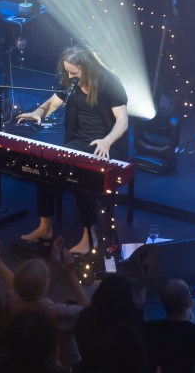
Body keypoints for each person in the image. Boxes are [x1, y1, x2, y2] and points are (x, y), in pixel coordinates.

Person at [17, 45, 129, 256]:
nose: (70, 76)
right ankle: (45, 227)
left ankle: (90, 236)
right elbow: (54, 102)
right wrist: (38, 112)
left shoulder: (108, 83)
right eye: (67, 71)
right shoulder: (73, 82)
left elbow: (122, 121)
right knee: (44, 167)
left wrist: (106, 141)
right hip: (79, 142)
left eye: (74, 72)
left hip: (107, 145)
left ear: (87, 68)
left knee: (82, 179)